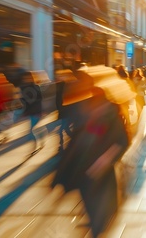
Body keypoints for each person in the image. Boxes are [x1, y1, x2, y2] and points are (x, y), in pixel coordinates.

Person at [52, 88, 130, 236]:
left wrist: (108, 157)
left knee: (100, 205)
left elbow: (123, 141)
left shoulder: (113, 118)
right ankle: (95, 222)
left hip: (103, 171)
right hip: (84, 168)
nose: (96, 109)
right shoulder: (86, 116)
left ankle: (97, 226)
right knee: (88, 201)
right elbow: (76, 144)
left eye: (99, 106)